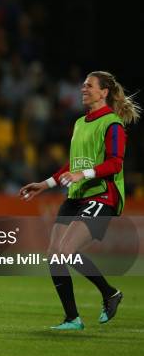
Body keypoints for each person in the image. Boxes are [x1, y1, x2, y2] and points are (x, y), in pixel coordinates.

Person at [20, 71, 139, 330]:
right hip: (77, 195)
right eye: (83, 85)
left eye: (89, 85)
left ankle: (110, 293)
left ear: (104, 92)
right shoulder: (80, 122)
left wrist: (81, 174)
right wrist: (46, 184)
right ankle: (72, 318)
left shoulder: (113, 124)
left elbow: (115, 164)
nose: (83, 89)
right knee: (54, 255)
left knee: (65, 251)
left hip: (102, 194)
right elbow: (72, 164)